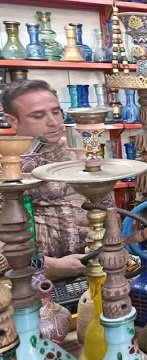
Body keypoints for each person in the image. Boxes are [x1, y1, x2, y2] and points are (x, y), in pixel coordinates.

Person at [1, 79, 87, 279]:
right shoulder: (6, 168)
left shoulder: (76, 156)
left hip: (88, 269)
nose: (53, 122)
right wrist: (50, 266)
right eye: (38, 116)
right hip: (30, 279)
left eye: (56, 112)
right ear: (12, 120)